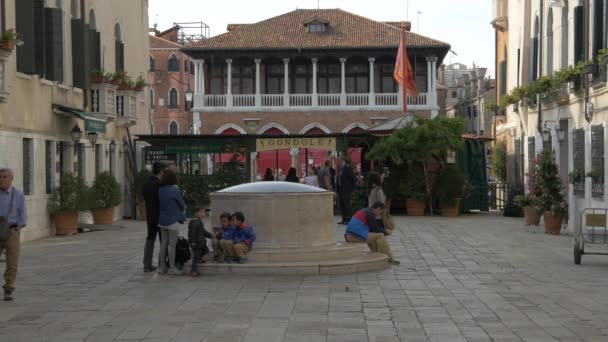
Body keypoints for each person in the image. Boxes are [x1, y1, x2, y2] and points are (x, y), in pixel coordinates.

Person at [0, 168, 26, 301]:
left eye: (5, 177)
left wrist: (19, 226)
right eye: (0, 177)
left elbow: (22, 212)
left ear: (11, 179)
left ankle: (8, 288)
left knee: (12, 262)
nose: (2, 179)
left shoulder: (18, 194)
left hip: (12, 231)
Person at [158, 169, 187, 275]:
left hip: (161, 220)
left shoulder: (160, 189)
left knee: (163, 244)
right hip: (173, 221)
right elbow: (182, 204)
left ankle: (162, 267)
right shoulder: (174, 190)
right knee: (172, 245)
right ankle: (172, 268)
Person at [141, 162, 166, 273]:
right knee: (163, 241)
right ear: (161, 171)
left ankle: (147, 265)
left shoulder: (145, 184)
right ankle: (161, 264)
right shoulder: (161, 184)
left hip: (150, 216)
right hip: (161, 216)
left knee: (150, 239)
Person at [188, 207, 213, 277]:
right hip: (196, 243)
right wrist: (192, 242)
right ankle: (193, 271)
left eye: (203, 212)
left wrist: (212, 236)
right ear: (196, 214)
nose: (203, 214)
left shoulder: (200, 222)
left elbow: (204, 232)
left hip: (201, 243)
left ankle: (199, 258)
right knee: (195, 257)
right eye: (200, 212)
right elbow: (192, 233)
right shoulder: (194, 222)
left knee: (206, 250)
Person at [336, 156, 356, 225]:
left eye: (338, 161)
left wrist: (351, 188)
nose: (337, 163)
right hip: (340, 189)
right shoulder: (339, 169)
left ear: (342, 161)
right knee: (342, 205)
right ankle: (343, 219)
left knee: (347, 205)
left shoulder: (347, 168)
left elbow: (353, 179)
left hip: (347, 190)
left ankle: (349, 219)